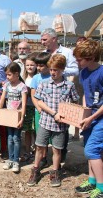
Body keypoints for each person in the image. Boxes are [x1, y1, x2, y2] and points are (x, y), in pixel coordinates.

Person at [27, 54, 79, 187]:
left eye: (55, 70)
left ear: (62, 70)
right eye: (51, 69)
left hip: (60, 126)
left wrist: (68, 114)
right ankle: (36, 170)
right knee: (40, 147)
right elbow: (39, 101)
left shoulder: (69, 86)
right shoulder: (44, 84)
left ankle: (55, 172)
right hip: (45, 122)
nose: (52, 72)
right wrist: (53, 113)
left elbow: (75, 101)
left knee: (57, 150)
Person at [73, 39, 103, 197]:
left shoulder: (102, 73)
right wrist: (85, 113)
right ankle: (92, 182)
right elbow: (86, 94)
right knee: (88, 148)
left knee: (92, 149)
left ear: (91, 57)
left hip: (100, 117)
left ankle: (101, 188)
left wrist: (92, 117)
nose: (77, 62)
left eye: (79, 59)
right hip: (90, 116)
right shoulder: (83, 72)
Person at [0, 62, 27, 172]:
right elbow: (2, 100)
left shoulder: (22, 87)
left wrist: (22, 118)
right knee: (10, 138)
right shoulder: (7, 85)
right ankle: (10, 159)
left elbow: (23, 104)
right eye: (6, 75)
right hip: (8, 116)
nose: (7, 77)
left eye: (9, 75)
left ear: (17, 74)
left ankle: (16, 161)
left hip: (18, 116)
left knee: (16, 138)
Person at [30, 52, 51, 168]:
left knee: (51, 136)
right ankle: (43, 157)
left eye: (41, 65)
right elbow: (33, 94)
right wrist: (38, 108)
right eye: (37, 65)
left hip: (51, 111)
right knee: (40, 135)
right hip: (40, 111)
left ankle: (50, 154)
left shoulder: (53, 77)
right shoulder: (36, 78)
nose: (38, 68)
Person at [20, 53, 38, 162]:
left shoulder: (38, 78)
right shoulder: (24, 78)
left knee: (36, 131)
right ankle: (27, 151)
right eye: (27, 65)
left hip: (35, 107)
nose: (29, 67)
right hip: (26, 107)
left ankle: (36, 151)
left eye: (32, 65)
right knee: (27, 131)